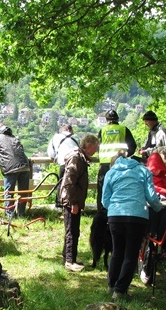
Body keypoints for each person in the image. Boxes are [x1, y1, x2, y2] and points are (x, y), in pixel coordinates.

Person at [102, 151, 163, 300]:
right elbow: (151, 197)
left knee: (117, 252)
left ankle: (111, 285)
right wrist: (159, 208)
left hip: (115, 216)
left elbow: (105, 200)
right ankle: (120, 290)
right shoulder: (143, 171)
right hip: (137, 217)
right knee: (130, 254)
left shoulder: (111, 172)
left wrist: (115, 209)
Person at [60, 134, 100, 272]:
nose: (96, 150)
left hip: (73, 199)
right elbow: (69, 181)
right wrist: (73, 203)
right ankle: (70, 261)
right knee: (72, 230)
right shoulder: (77, 158)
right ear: (88, 146)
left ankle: (68, 257)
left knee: (72, 229)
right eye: (95, 147)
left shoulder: (80, 157)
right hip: (72, 200)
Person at [96, 110, 137, 210]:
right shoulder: (123, 129)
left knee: (102, 190)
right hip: (120, 165)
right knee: (120, 188)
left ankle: (102, 213)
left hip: (105, 165)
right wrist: (126, 156)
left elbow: (96, 147)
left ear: (106, 120)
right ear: (118, 119)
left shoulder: (103, 131)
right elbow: (133, 146)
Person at [0, 124, 31, 218]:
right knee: (23, 192)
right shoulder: (14, 138)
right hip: (25, 166)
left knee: (9, 193)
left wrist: (1, 159)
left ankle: (10, 215)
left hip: (10, 168)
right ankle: (21, 214)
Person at [47, 124, 79, 207]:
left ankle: (60, 204)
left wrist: (56, 157)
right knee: (75, 184)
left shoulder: (55, 137)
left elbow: (51, 153)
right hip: (77, 163)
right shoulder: (76, 138)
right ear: (69, 130)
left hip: (64, 162)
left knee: (61, 183)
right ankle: (74, 204)